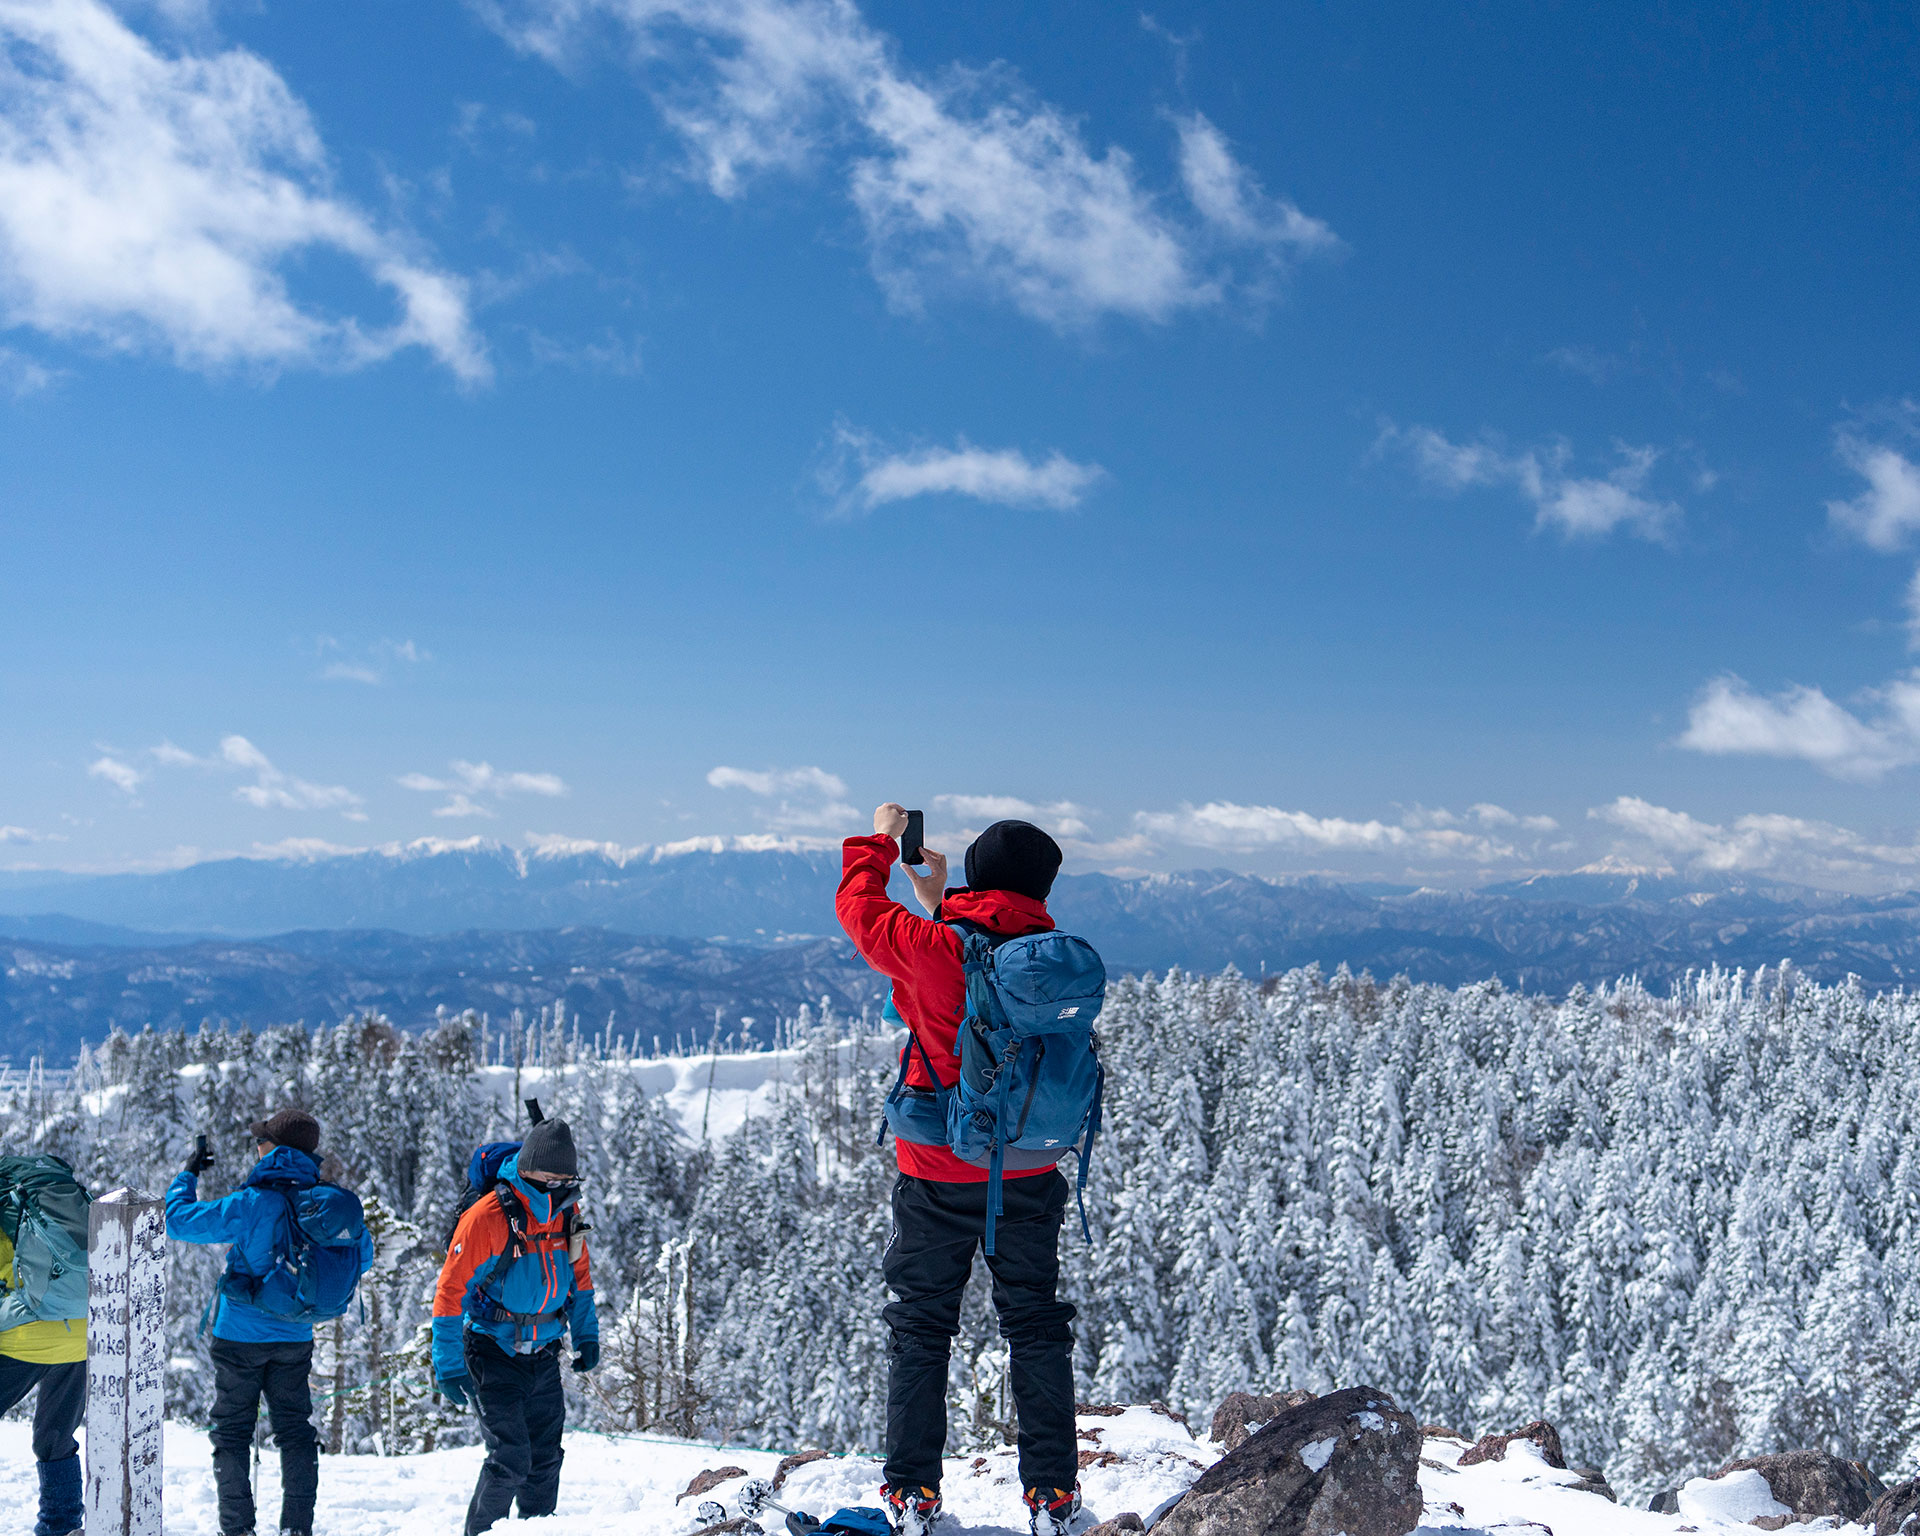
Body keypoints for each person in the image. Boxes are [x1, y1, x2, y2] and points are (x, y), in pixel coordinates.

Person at [838, 804, 1084, 1536]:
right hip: (1030, 1169)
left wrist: (882, 838)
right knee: (1036, 1324)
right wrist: (941, 900)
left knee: (920, 1327)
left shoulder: (933, 943)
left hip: (938, 1169)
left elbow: (857, 906)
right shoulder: (1055, 953)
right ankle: (1052, 1497)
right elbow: (993, 954)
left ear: (976, 873)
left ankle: (913, 1493)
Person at [166, 1108, 373, 1536]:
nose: (256, 1146)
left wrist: (187, 1174)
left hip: (239, 1335)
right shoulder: (326, 1204)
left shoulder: (254, 1202)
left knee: (232, 1433)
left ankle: (237, 1528)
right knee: (295, 1432)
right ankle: (297, 1528)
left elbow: (178, 1221)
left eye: (261, 1141)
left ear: (273, 1149)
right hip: (296, 1335)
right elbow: (362, 1257)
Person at [432, 1116, 599, 1536]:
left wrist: (586, 1334)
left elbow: (580, 1279)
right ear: (527, 1169)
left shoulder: (567, 1212)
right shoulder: (488, 1216)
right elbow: (450, 1292)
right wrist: (448, 1365)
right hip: (492, 1349)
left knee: (545, 1460)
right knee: (510, 1458)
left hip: (544, 1351)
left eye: (566, 1178)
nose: (559, 1186)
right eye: (550, 1177)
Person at [0, 1156, 89, 1536]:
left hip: (25, 1334)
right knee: (55, 1438)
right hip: (81, 1334)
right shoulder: (53, 1196)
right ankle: (63, 1526)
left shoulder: (8, 1204)